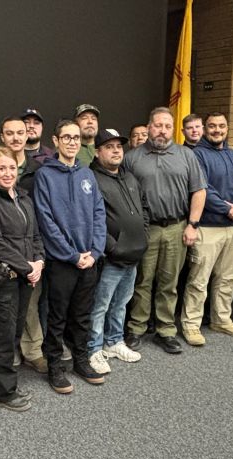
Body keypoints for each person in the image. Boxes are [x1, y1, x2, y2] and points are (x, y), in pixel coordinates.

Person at [123, 107, 207, 354]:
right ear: (149, 127)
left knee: (169, 283)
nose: (162, 130)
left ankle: (166, 330)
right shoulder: (132, 158)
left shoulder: (186, 155)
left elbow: (199, 191)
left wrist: (193, 224)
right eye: (158, 125)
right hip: (146, 229)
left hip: (177, 228)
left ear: (173, 129)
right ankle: (136, 328)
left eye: (167, 126)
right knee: (142, 281)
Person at [34, 120, 107, 393]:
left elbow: (99, 214)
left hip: (89, 260)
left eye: (76, 138)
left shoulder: (87, 174)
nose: (72, 142)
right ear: (56, 141)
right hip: (62, 261)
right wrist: (72, 255)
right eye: (66, 137)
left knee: (82, 315)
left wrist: (95, 252)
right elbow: (46, 220)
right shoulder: (45, 175)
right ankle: (55, 366)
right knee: (57, 317)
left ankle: (81, 360)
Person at [0, 145, 44, 412]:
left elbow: (35, 236)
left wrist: (39, 262)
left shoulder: (24, 198)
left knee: (14, 333)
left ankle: (4, 381)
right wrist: (28, 267)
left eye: (12, 168)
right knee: (3, 335)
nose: (7, 173)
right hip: (5, 281)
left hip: (26, 277)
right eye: (1, 168)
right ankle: (4, 393)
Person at [181, 113, 233, 345]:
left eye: (222, 126)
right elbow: (202, 188)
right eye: (212, 126)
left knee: (228, 278)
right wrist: (227, 208)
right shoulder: (196, 155)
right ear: (205, 129)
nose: (217, 130)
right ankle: (191, 324)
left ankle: (221, 319)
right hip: (207, 227)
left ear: (227, 128)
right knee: (199, 280)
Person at [87, 129, 147, 375]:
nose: (115, 151)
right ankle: (94, 348)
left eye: (119, 147)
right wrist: (113, 247)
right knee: (100, 305)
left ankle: (114, 342)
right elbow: (93, 220)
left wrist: (144, 237)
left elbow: (143, 209)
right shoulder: (91, 178)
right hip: (110, 257)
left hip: (133, 254)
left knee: (121, 303)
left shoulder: (129, 177)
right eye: (109, 147)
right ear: (97, 152)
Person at [1, 116, 48, 374]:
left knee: (31, 303)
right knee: (6, 308)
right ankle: (11, 352)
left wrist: (38, 255)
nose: (16, 137)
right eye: (10, 133)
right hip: (3, 250)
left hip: (31, 245)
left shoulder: (38, 169)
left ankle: (33, 351)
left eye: (20, 132)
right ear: (2, 137)